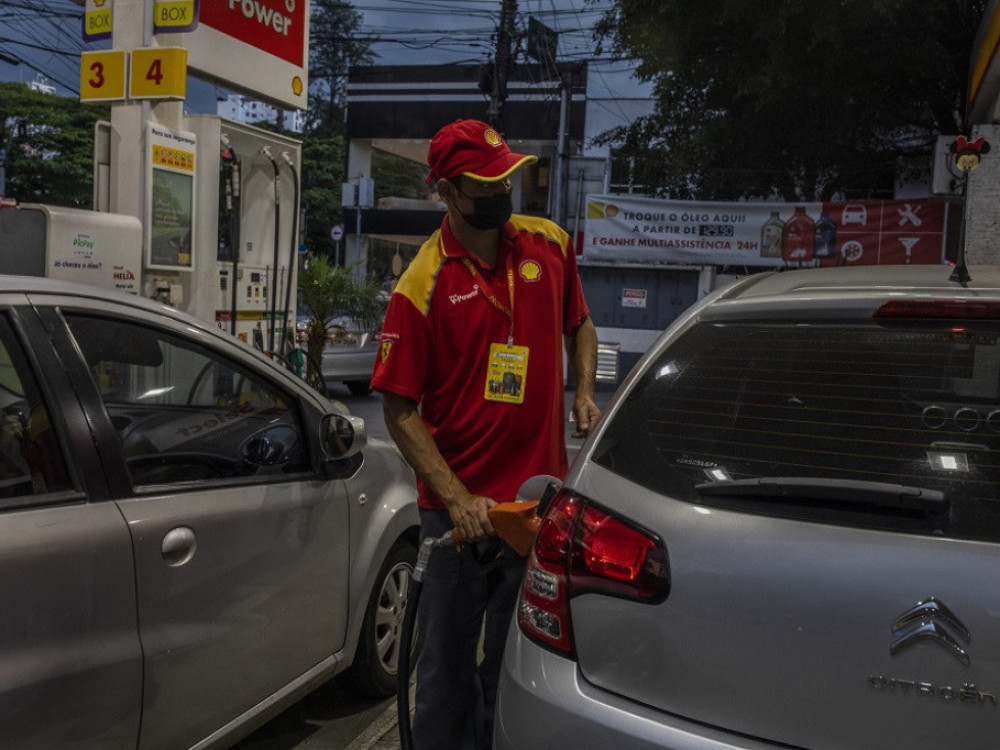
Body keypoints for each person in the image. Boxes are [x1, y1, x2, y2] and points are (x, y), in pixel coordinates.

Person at [371, 118, 601, 750]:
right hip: (458, 522)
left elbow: (580, 325)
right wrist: (456, 498)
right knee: (444, 669)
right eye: (485, 184)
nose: (503, 193)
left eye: (508, 178)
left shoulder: (548, 245)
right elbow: (398, 409)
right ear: (444, 191)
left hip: (533, 505)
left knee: (515, 665)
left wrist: (583, 390)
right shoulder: (421, 285)